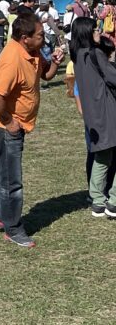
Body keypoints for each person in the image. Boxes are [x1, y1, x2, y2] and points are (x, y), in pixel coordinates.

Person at [0, 11, 65, 249]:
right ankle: (13, 228)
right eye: (40, 35)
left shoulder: (33, 51)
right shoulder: (12, 59)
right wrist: (9, 122)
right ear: (24, 37)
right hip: (2, 124)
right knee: (12, 180)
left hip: (14, 123)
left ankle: (1, 215)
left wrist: (56, 62)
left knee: (5, 172)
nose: (44, 38)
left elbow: (47, 76)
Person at [69, 17, 116, 217]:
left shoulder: (78, 56)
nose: (99, 32)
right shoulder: (96, 53)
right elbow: (113, 78)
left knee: (101, 156)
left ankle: (97, 200)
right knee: (105, 156)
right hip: (107, 111)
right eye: (95, 29)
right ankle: (113, 201)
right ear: (87, 32)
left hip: (92, 114)